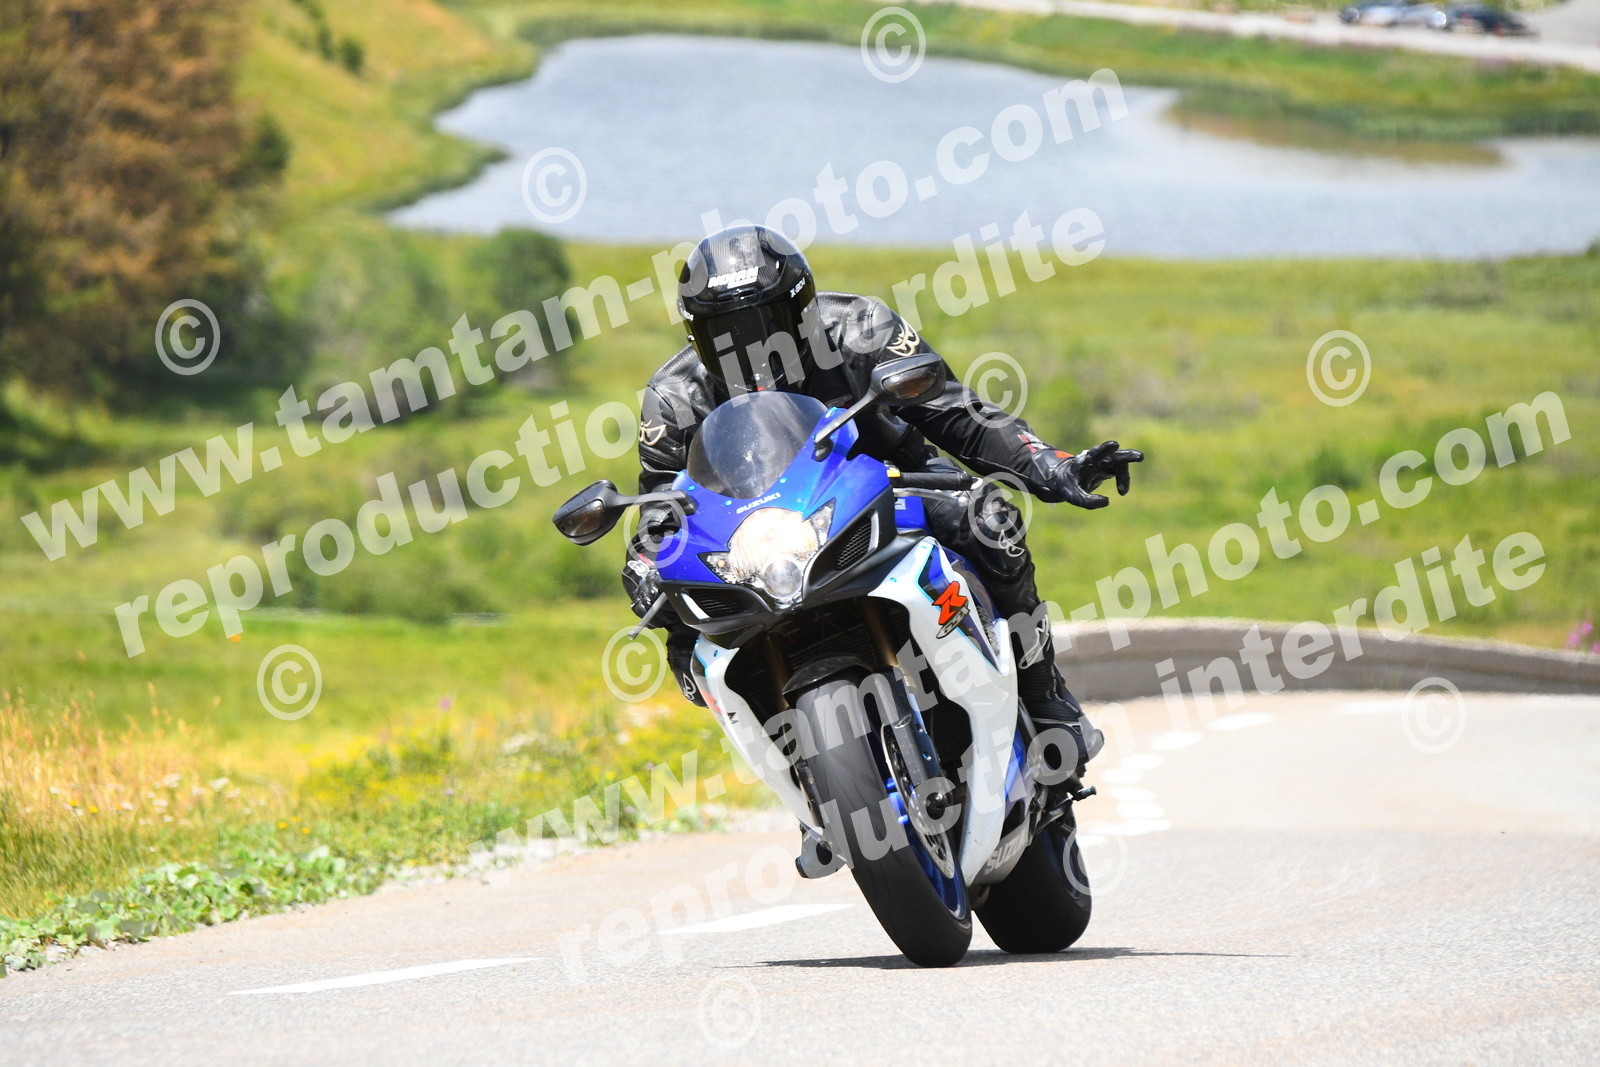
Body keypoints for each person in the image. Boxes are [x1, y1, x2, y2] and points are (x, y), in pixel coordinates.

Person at [621, 224, 1141, 778]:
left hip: (893, 482)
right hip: (760, 538)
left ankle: (1044, 694)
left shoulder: (860, 329)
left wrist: (1051, 464)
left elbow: (958, 414)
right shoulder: (675, 397)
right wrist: (645, 564)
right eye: (725, 333)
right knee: (685, 629)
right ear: (697, 336)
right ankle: (804, 776)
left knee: (989, 520)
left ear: (801, 309)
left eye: (764, 324)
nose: (749, 348)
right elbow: (662, 508)